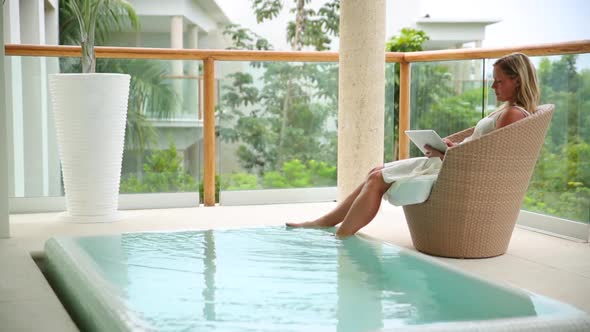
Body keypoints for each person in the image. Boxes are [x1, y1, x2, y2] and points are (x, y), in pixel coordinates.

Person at [286, 52, 541, 238]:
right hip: (450, 161)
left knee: (377, 179)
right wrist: (451, 145)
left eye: (499, 81)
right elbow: (480, 147)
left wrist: (446, 152)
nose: (493, 86)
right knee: (374, 172)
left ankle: (340, 236)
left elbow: (487, 162)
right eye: (493, 80)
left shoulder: (513, 114)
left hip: (454, 170)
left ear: (517, 80)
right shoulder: (508, 111)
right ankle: (324, 223)